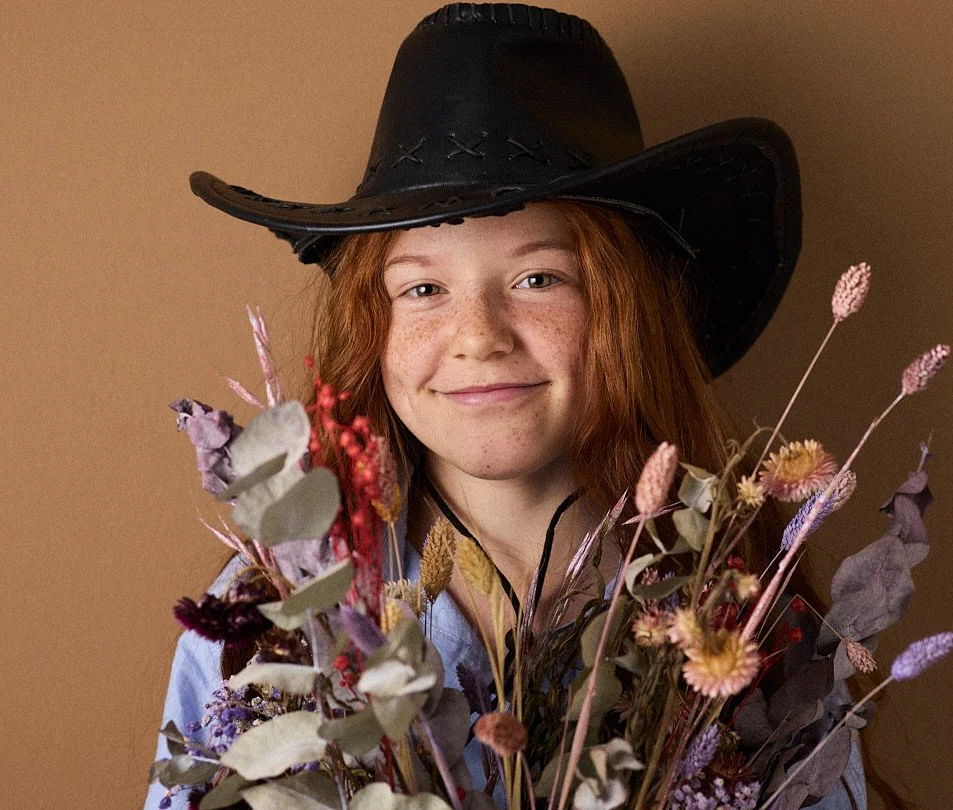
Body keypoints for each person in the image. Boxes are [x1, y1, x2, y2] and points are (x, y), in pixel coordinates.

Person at [146, 5, 867, 809]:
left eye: (538, 279)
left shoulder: (746, 621)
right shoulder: (269, 626)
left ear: (625, 311)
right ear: (370, 328)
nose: (480, 337)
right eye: (423, 288)